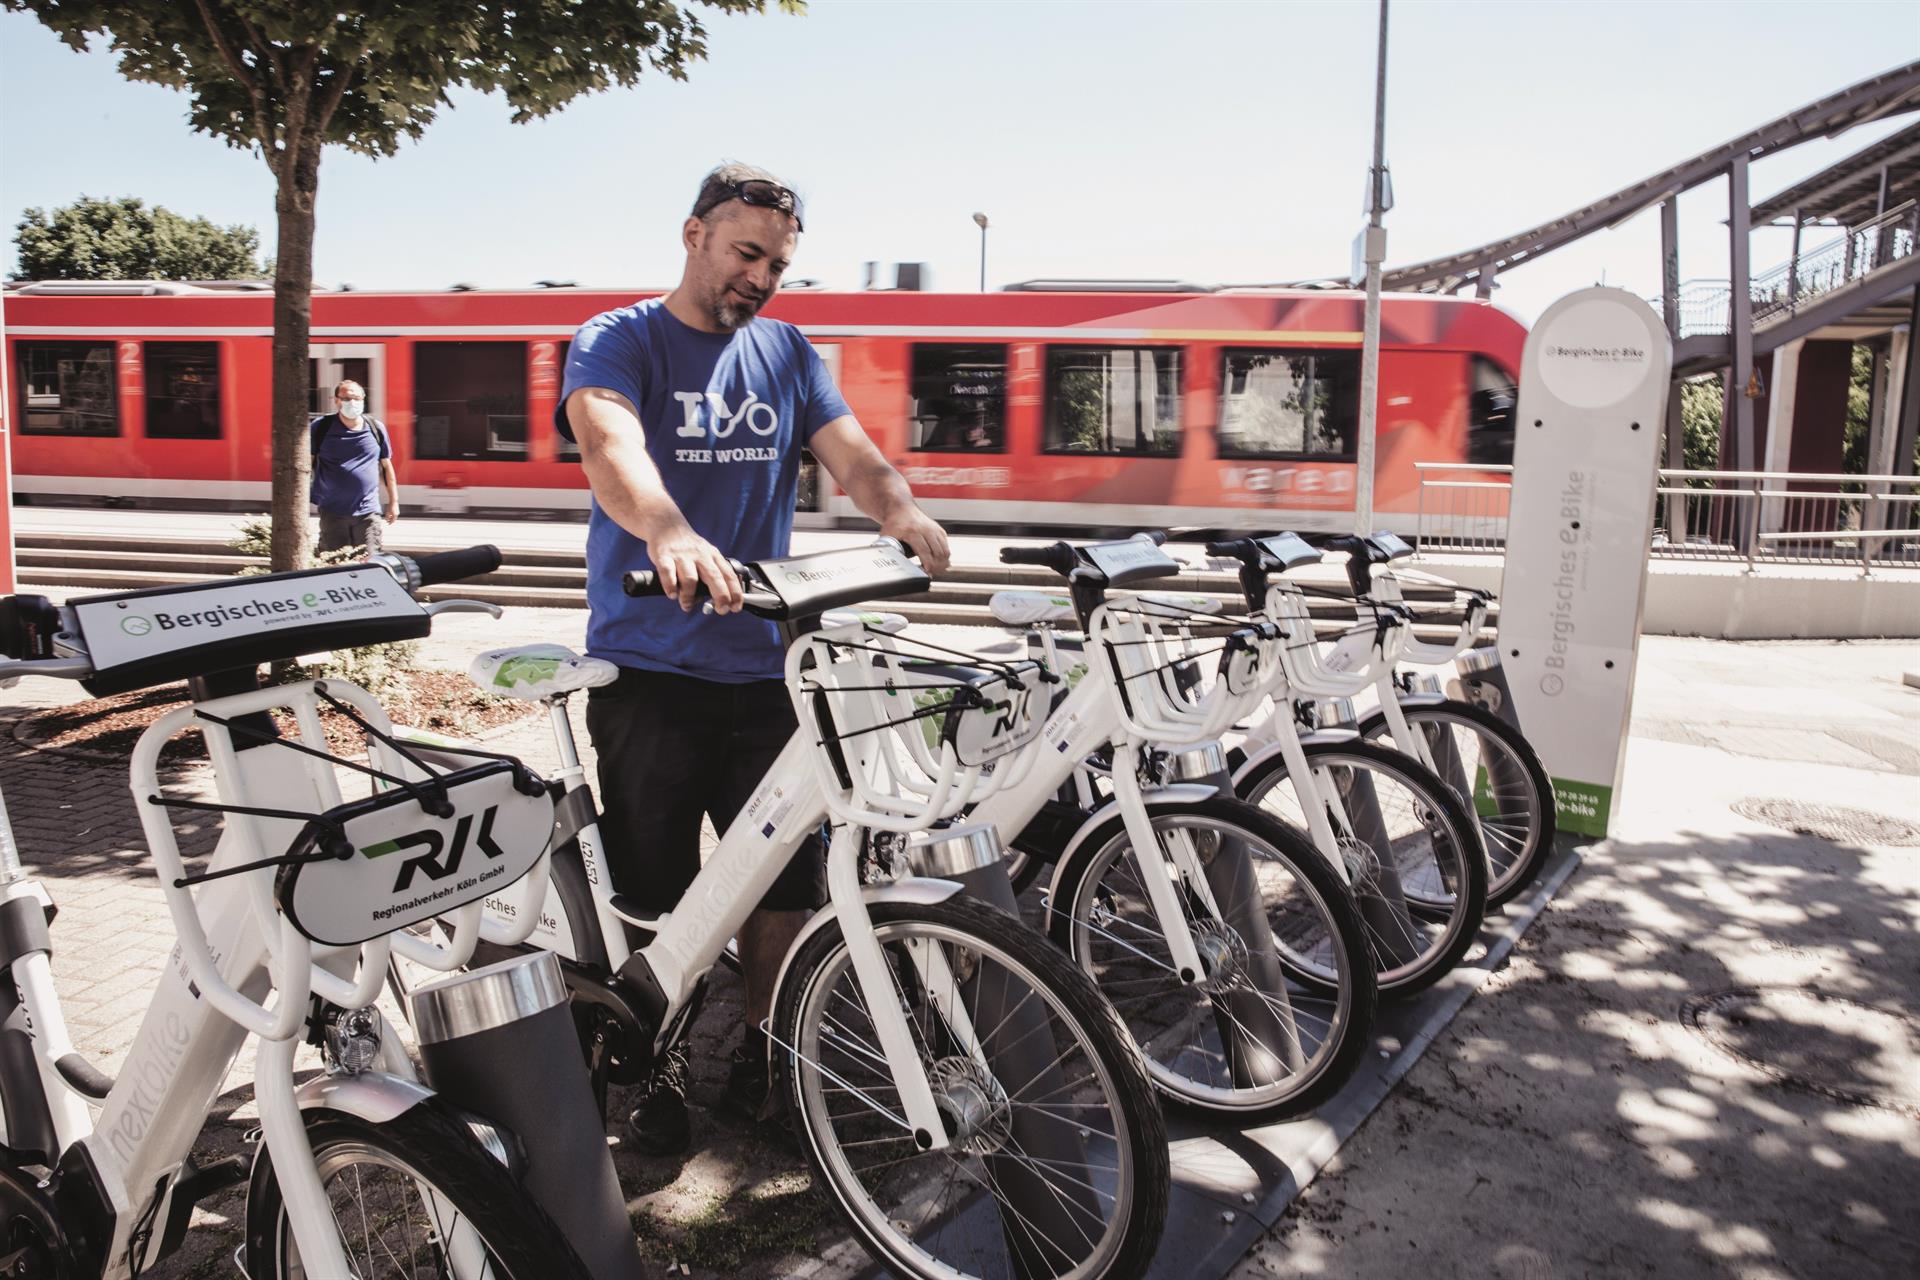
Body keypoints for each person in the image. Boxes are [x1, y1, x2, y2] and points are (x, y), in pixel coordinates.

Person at [559, 162, 951, 1156]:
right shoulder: (621, 338)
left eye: (778, 262)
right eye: (745, 253)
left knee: (779, 886)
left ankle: (771, 1062)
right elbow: (611, 445)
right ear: (692, 234)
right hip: (649, 668)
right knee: (655, 891)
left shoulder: (787, 350)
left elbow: (851, 452)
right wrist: (669, 532)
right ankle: (659, 1067)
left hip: (767, 667)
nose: (762, 276)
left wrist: (897, 506)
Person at [311, 379, 398, 553]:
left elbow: (386, 467)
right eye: (346, 398)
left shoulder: (376, 428)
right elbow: (307, 464)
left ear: (364, 399)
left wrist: (393, 502)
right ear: (336, 401)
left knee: (370, 563)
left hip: (368, 512)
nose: (352, 403)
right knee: (334, 565)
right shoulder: (321, 427)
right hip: (332, 512)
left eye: (357, 398)